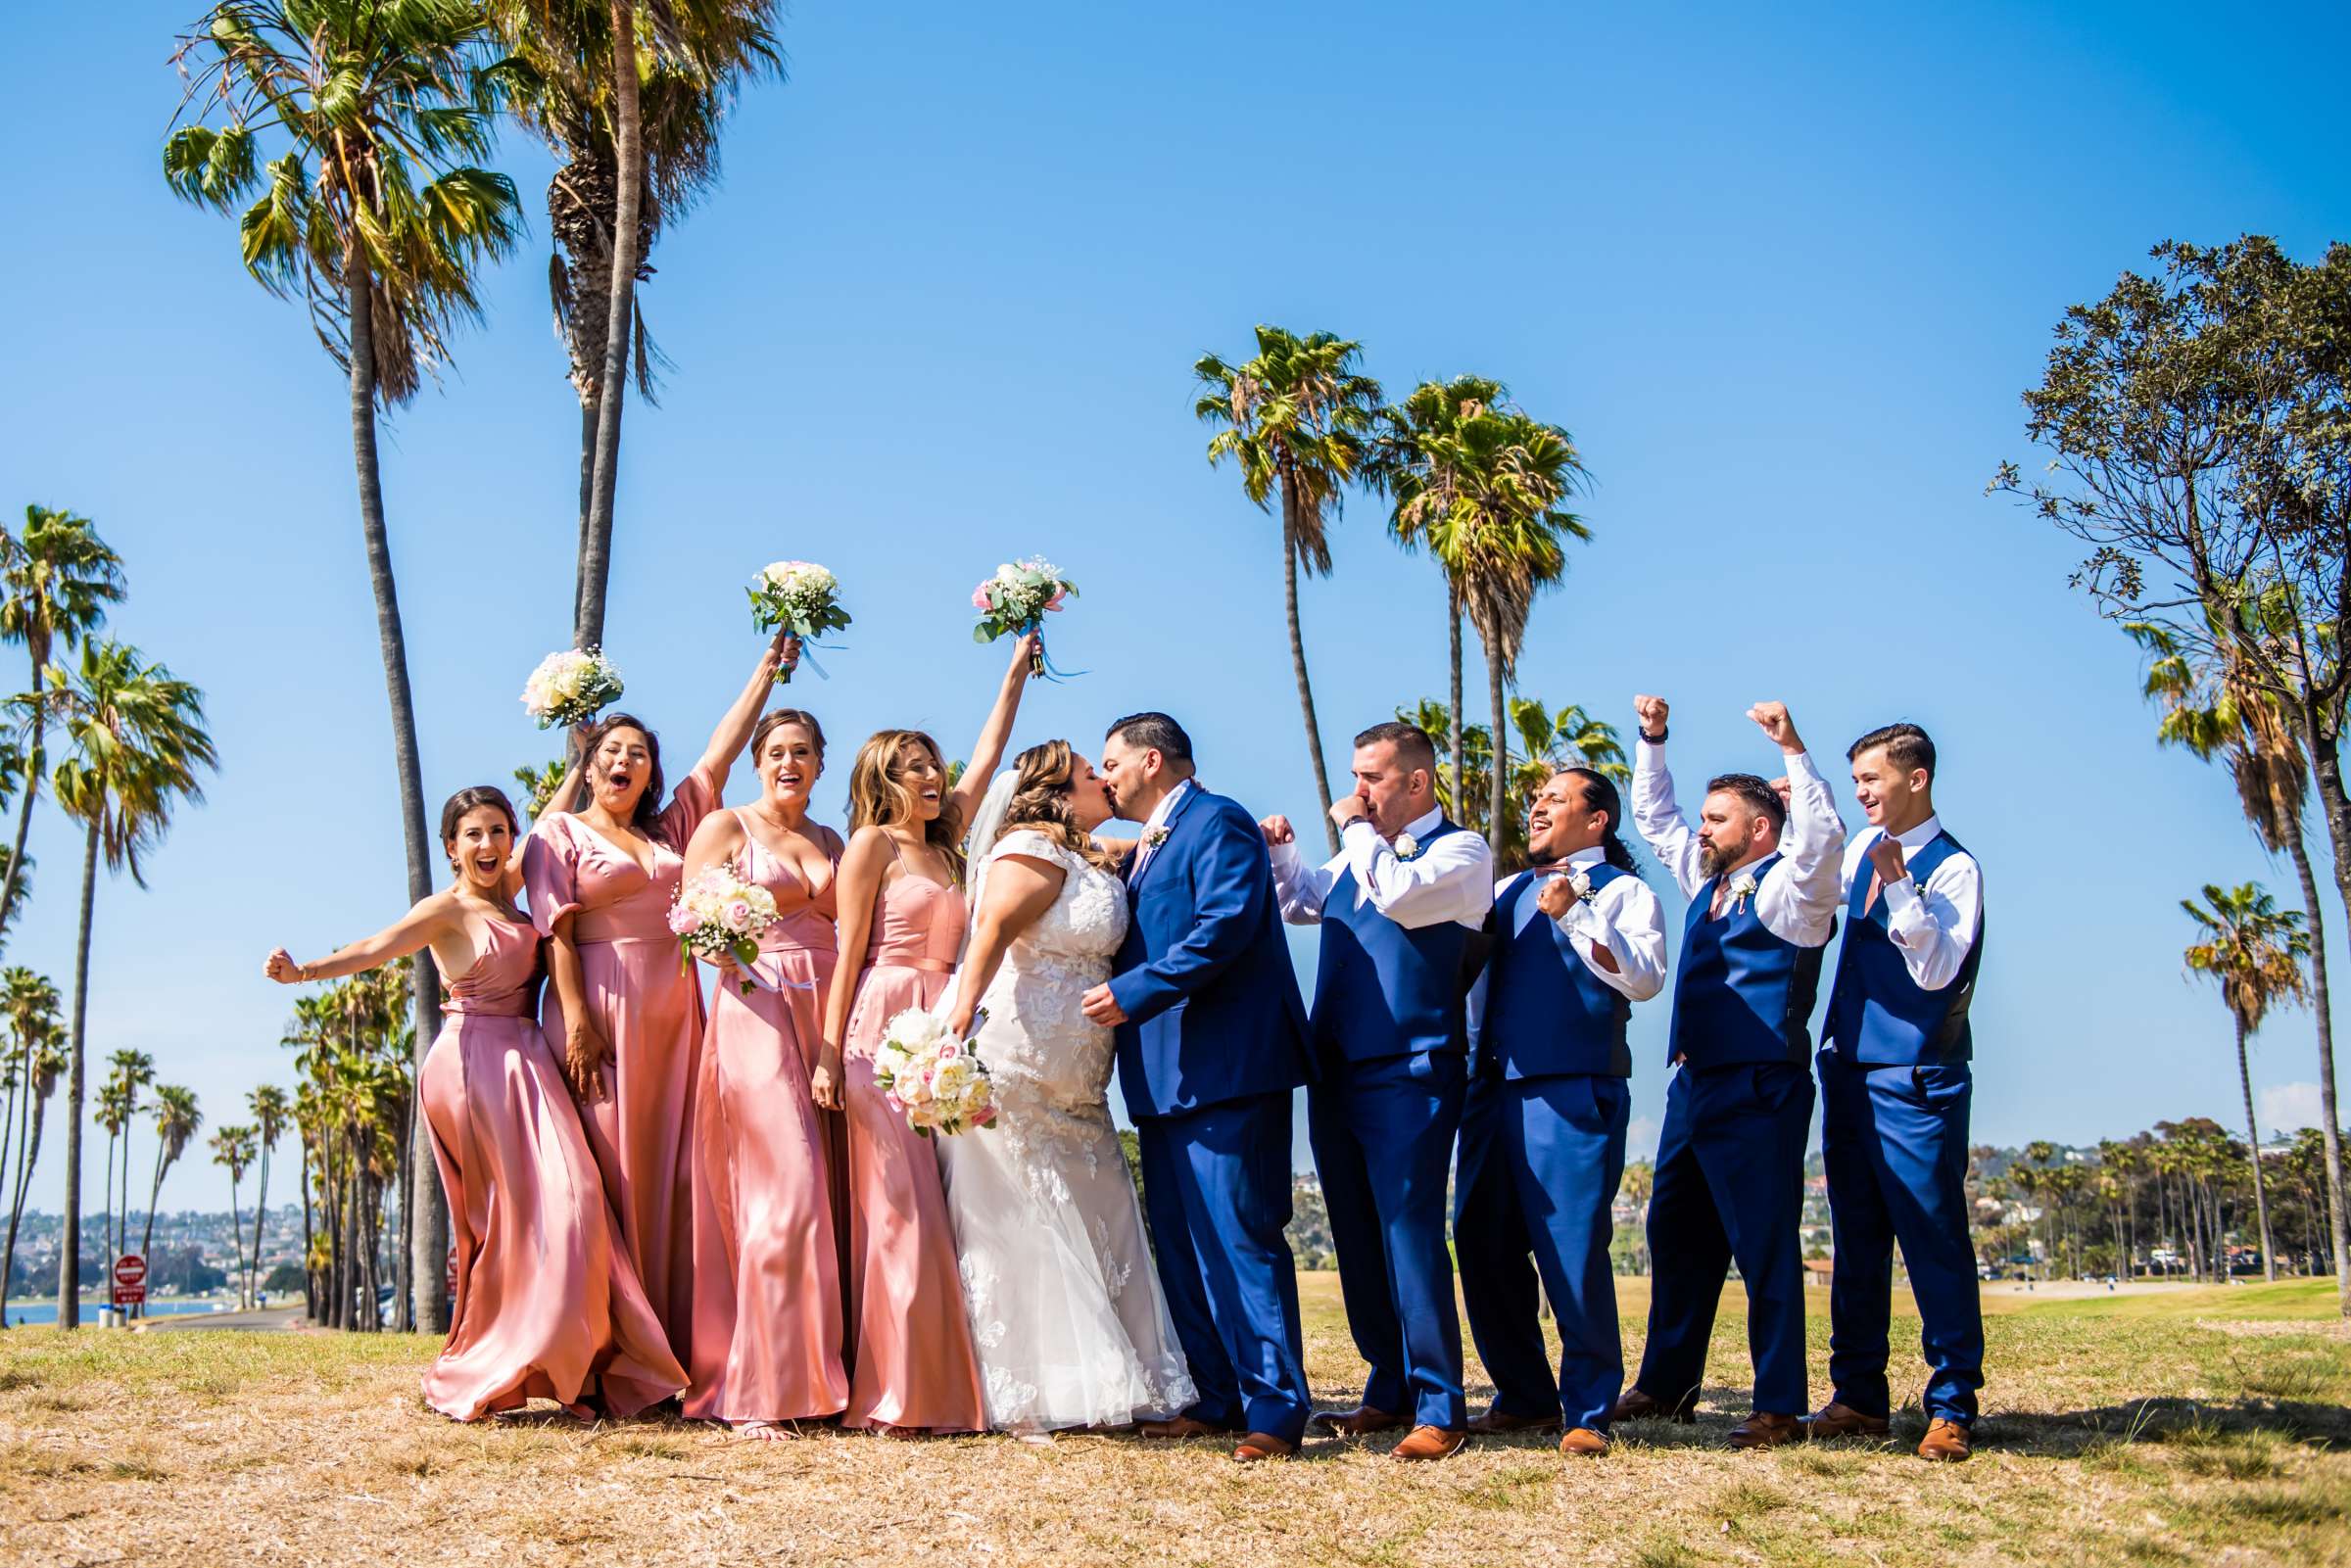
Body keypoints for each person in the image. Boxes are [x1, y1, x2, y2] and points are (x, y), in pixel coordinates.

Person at [264, 785, 683, 1421]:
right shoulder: (447, 909)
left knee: (576, 1204)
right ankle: (516, 1364)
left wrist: (581, 748)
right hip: (473, 1067)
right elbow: (376, 946)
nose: (487, 844)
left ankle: (566, 1367)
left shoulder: (514, 888)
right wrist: (305, 973)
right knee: (513, 1224)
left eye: (497, 830)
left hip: (528, 1060)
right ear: (451, 848)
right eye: (473, 834)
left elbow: (550, 818)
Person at [522, 630, 798, 1365]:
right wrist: (576, 1016)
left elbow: (721, 753)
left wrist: (766, 672)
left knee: (679, 1174)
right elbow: (556, 928)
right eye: (610, 751)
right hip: (600, 1010)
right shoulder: (558, 832)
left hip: (678, 1014)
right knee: (614, 1171)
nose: (623, 761)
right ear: (588, 764)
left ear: (650, 772)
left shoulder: (674, 827)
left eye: (637, 754)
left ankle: (675, 1344)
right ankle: (610, 1349)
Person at [935, 740, 1197, 1434]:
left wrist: (1257, 831)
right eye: (1091, 774)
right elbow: (989, 929)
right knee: (1030, 1216)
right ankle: (1033, 1389)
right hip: (1019, 1057)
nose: (1104, 781)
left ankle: (1125, 1371)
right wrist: (957, 1017)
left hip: (1079, 1070)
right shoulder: (1028, 847)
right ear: (1056, 791)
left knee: (1097, 1207)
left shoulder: (1084, 851)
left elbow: (1149, 840)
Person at [1080, 711, 1316, 1463]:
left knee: (1240, 1237)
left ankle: (1275, 1408)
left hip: (1226, 1069)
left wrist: (1135, 989)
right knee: (1182, 1244)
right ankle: (1213, 1396)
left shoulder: (1220, 821)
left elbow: (1224, 924)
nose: (1104, 773)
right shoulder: (1150, 842)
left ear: (1153, 760)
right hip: (1161, 1078)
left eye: (1111, 761)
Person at [815, 634, 1035, 1435]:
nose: (933, 776)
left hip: (953, 1028)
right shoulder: (872, 845)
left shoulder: (950, 843)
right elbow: (846, 952)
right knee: (900, 1207)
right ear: (883, 778)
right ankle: (898, 1391)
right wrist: (829, 1052)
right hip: (882, 1030)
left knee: (957, 1202)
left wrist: (1014, 672)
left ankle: (958, 1381)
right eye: (915, 766)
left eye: (934, 764)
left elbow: (990, 752)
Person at [1617, 697, 1845, 1449]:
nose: (1702, 829)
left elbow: (1824, 840)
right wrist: (1653, 740)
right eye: (1706, 817)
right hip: (1693, 1085)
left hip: (1758, 1086)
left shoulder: (1793, 889)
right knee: (1675, 1230)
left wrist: (1793, 752)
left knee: (1763, 1243)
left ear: (1761, 827)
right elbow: (1655, 818)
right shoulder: (1707, 882)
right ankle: (1666, 1384)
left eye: (1717, 819)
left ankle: (1779, 1403)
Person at [1266, 721, 1495, 1462]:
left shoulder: (1461, 853)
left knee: (1410, 1232)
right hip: (1337, 1069)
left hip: (1411, 1068)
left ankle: (1441, 1403)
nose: (1356, 790)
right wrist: (1284, 852)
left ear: (1418, 781)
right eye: (1356, 775)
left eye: (1372, 777)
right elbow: (1299, 900)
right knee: (1356, 1233)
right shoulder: (1354, 860)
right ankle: (1387, 1382)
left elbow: (1395, 896)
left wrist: (1355, 831)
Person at [1454, 767, 1667, 1458]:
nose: (1538, 805)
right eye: (1536, 797)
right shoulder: (1505, 890)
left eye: (1556, 797)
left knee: (1570, 1249)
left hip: (1571, 1087)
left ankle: (1588, 1405)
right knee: (1480, 1241)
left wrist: (1573, 910)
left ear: (1598, 818)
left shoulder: (1626, 891)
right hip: (1492, 1086)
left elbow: (1643, 976)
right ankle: (1523, 1395)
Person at [1803, 722, 1985, 1463]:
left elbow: (1939, 969)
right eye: (1856, 784)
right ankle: (1857, 1396)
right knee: (1857, 1242)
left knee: (1932, 1236)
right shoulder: (1854, 855)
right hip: (1848, 1071)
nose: (1863, 793)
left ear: (1917, 778)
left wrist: (1900, 881)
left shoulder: (1954, 869)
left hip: (1916, 1077)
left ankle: (1951, 1405)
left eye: (1872, 779)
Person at [679, 707, 848, 1437]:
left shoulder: (832, 840)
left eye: (803, 751)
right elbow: (686, 921)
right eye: (777, 751)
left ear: (820, 762)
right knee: (786, 1189)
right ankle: (757, 1389)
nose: (790, 762)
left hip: (827, 1013)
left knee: (833, 1185)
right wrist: (728, 949)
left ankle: (823, 1375)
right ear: (757, 762)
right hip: (755, 1008)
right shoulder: (725, 826)